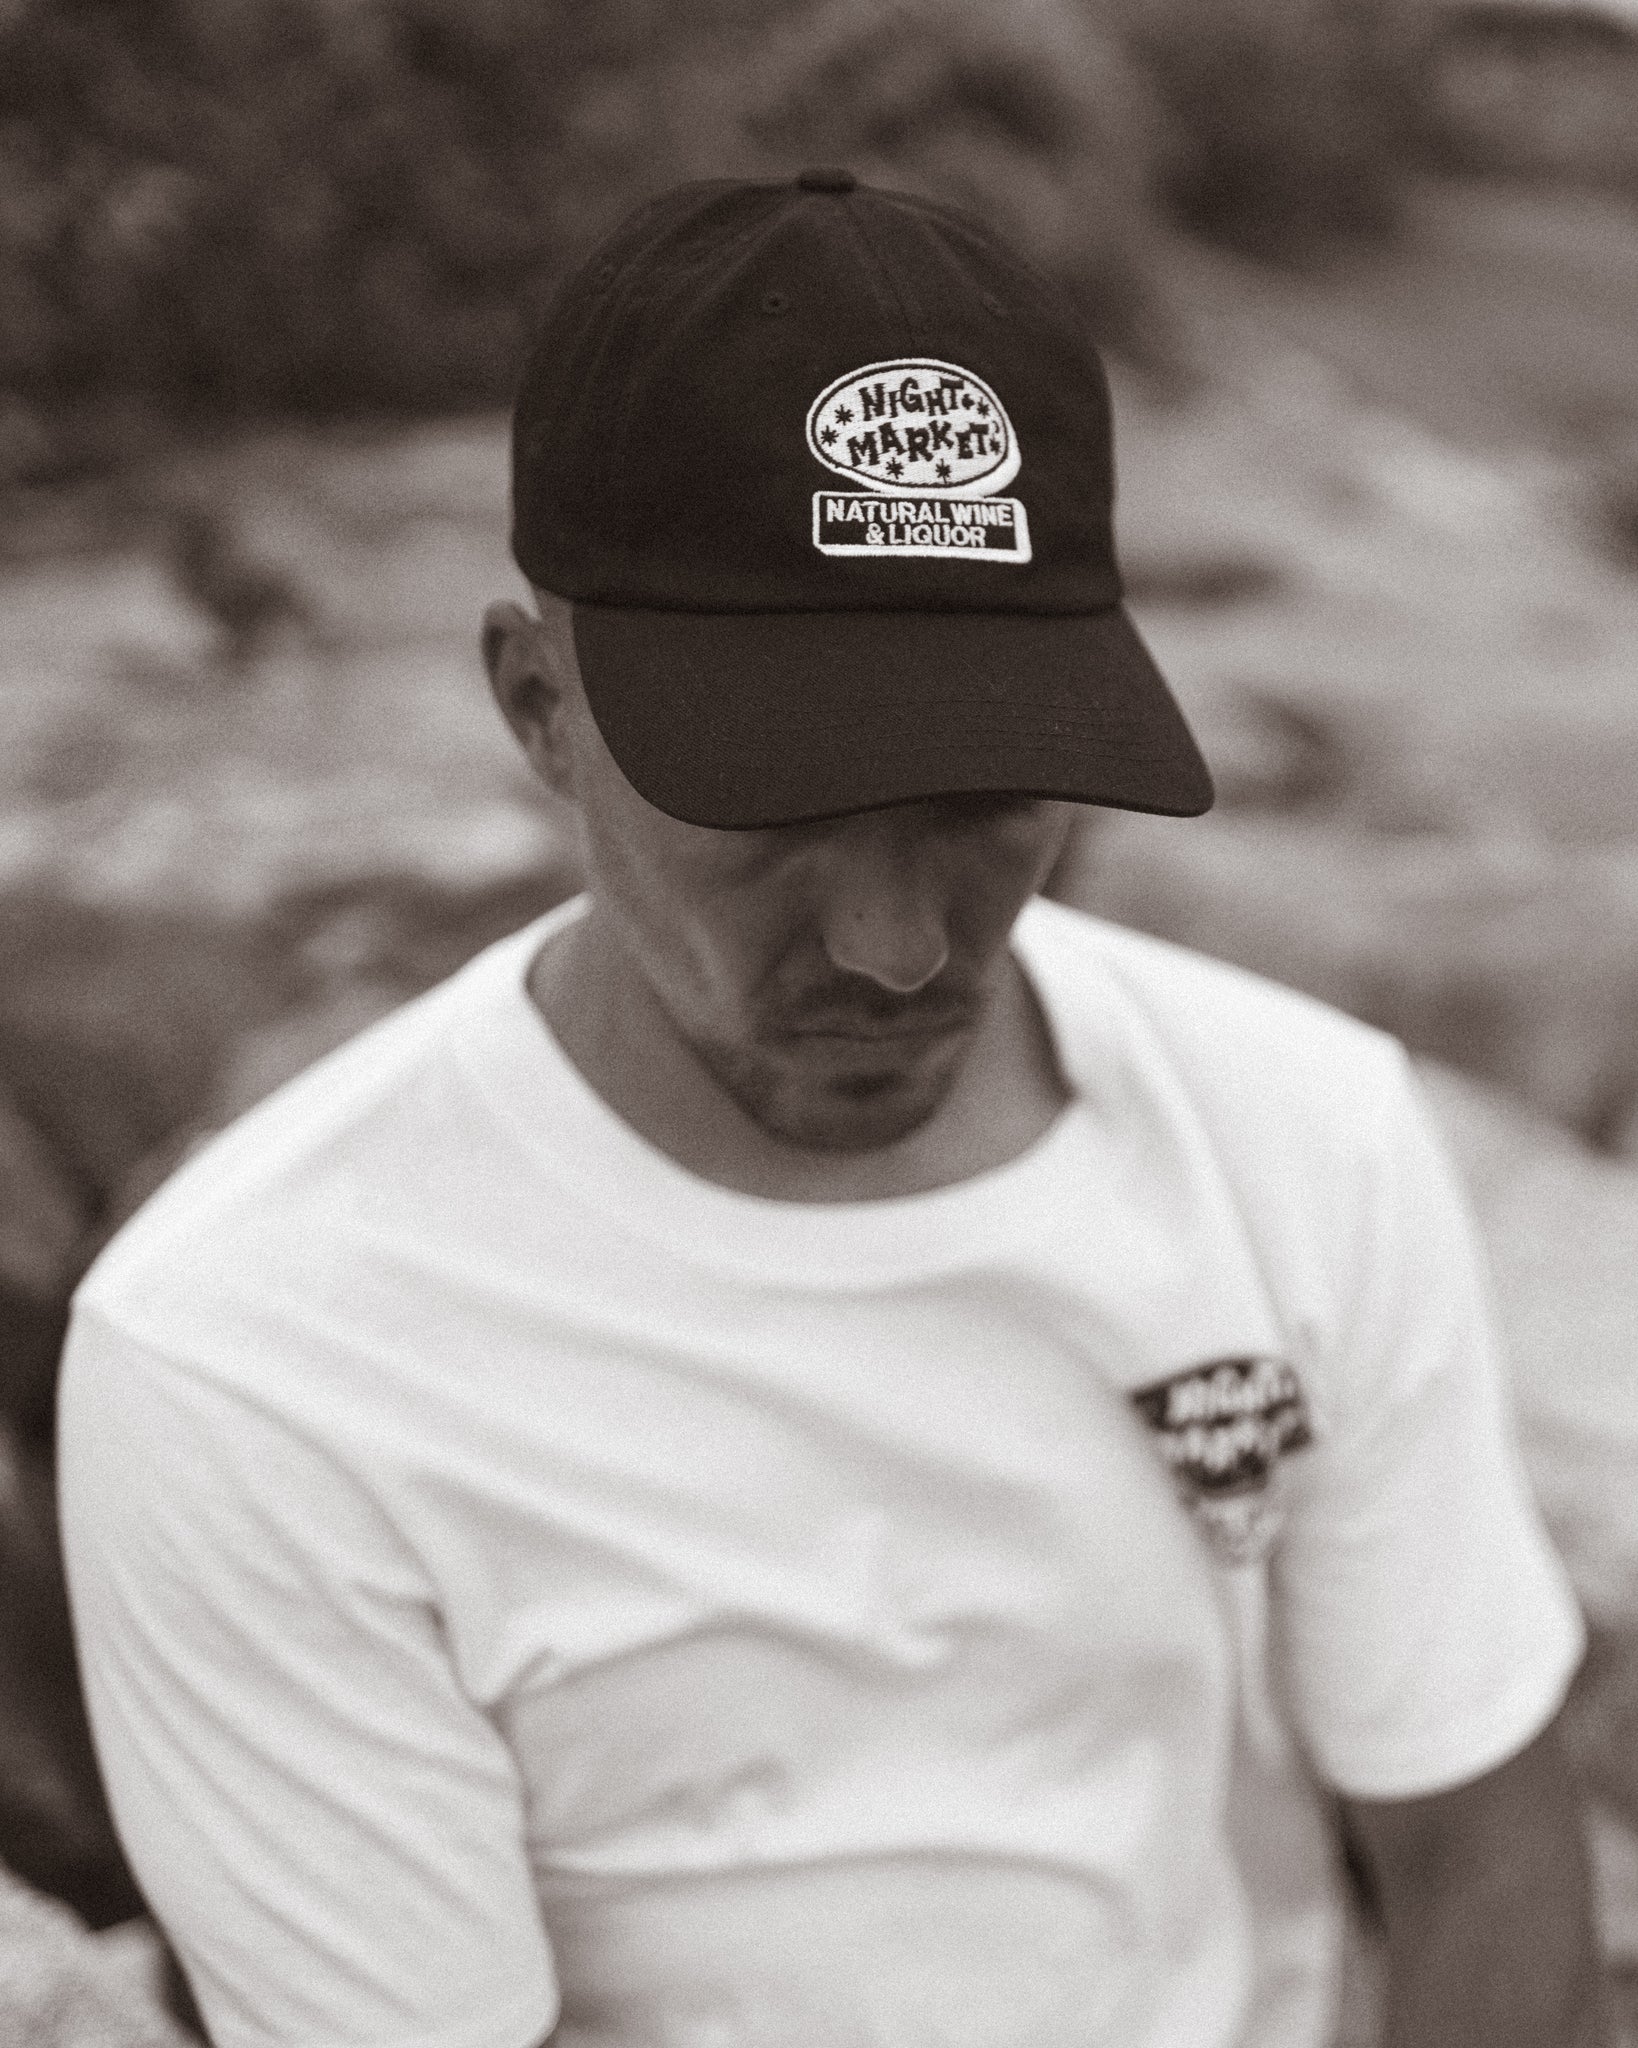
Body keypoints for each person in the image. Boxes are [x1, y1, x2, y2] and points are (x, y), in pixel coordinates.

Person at [58, 170, 1602, 2048]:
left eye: (979, 804)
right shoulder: (250, 1355)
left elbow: (1472, 1836)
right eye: (774, 816)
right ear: (540, 706)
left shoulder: (1301, 1132)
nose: (890, 950)